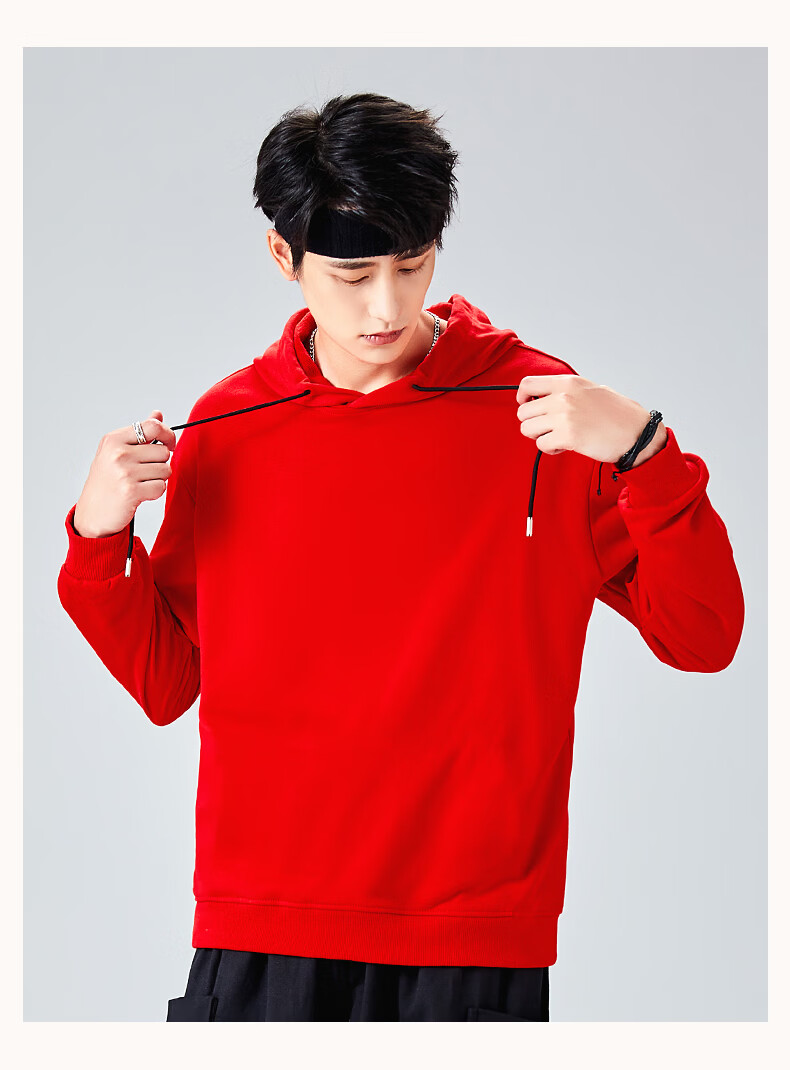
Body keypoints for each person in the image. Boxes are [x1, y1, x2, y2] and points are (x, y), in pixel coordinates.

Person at [56, 92, 745, 1022]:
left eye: (411, 266)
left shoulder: (544, 413)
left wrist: (648, 456)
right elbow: (169, 682)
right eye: (352, 274)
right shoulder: (229, 426)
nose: (385, 306)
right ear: (283, 256)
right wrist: (101, 538)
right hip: (264, 921)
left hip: (471, 933)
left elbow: (701, 636)